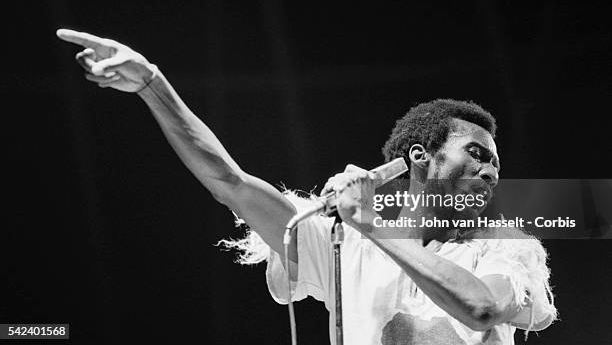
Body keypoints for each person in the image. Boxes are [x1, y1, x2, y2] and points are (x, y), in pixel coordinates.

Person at [57, 29, 557, 345]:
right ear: (419, 158)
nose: (492, 171)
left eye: (495, 164)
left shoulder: (504, 249)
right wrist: (152, 85)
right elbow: (229, 182)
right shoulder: (343, 242)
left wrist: (367, 221)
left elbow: (482, 308)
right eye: (477, 153)